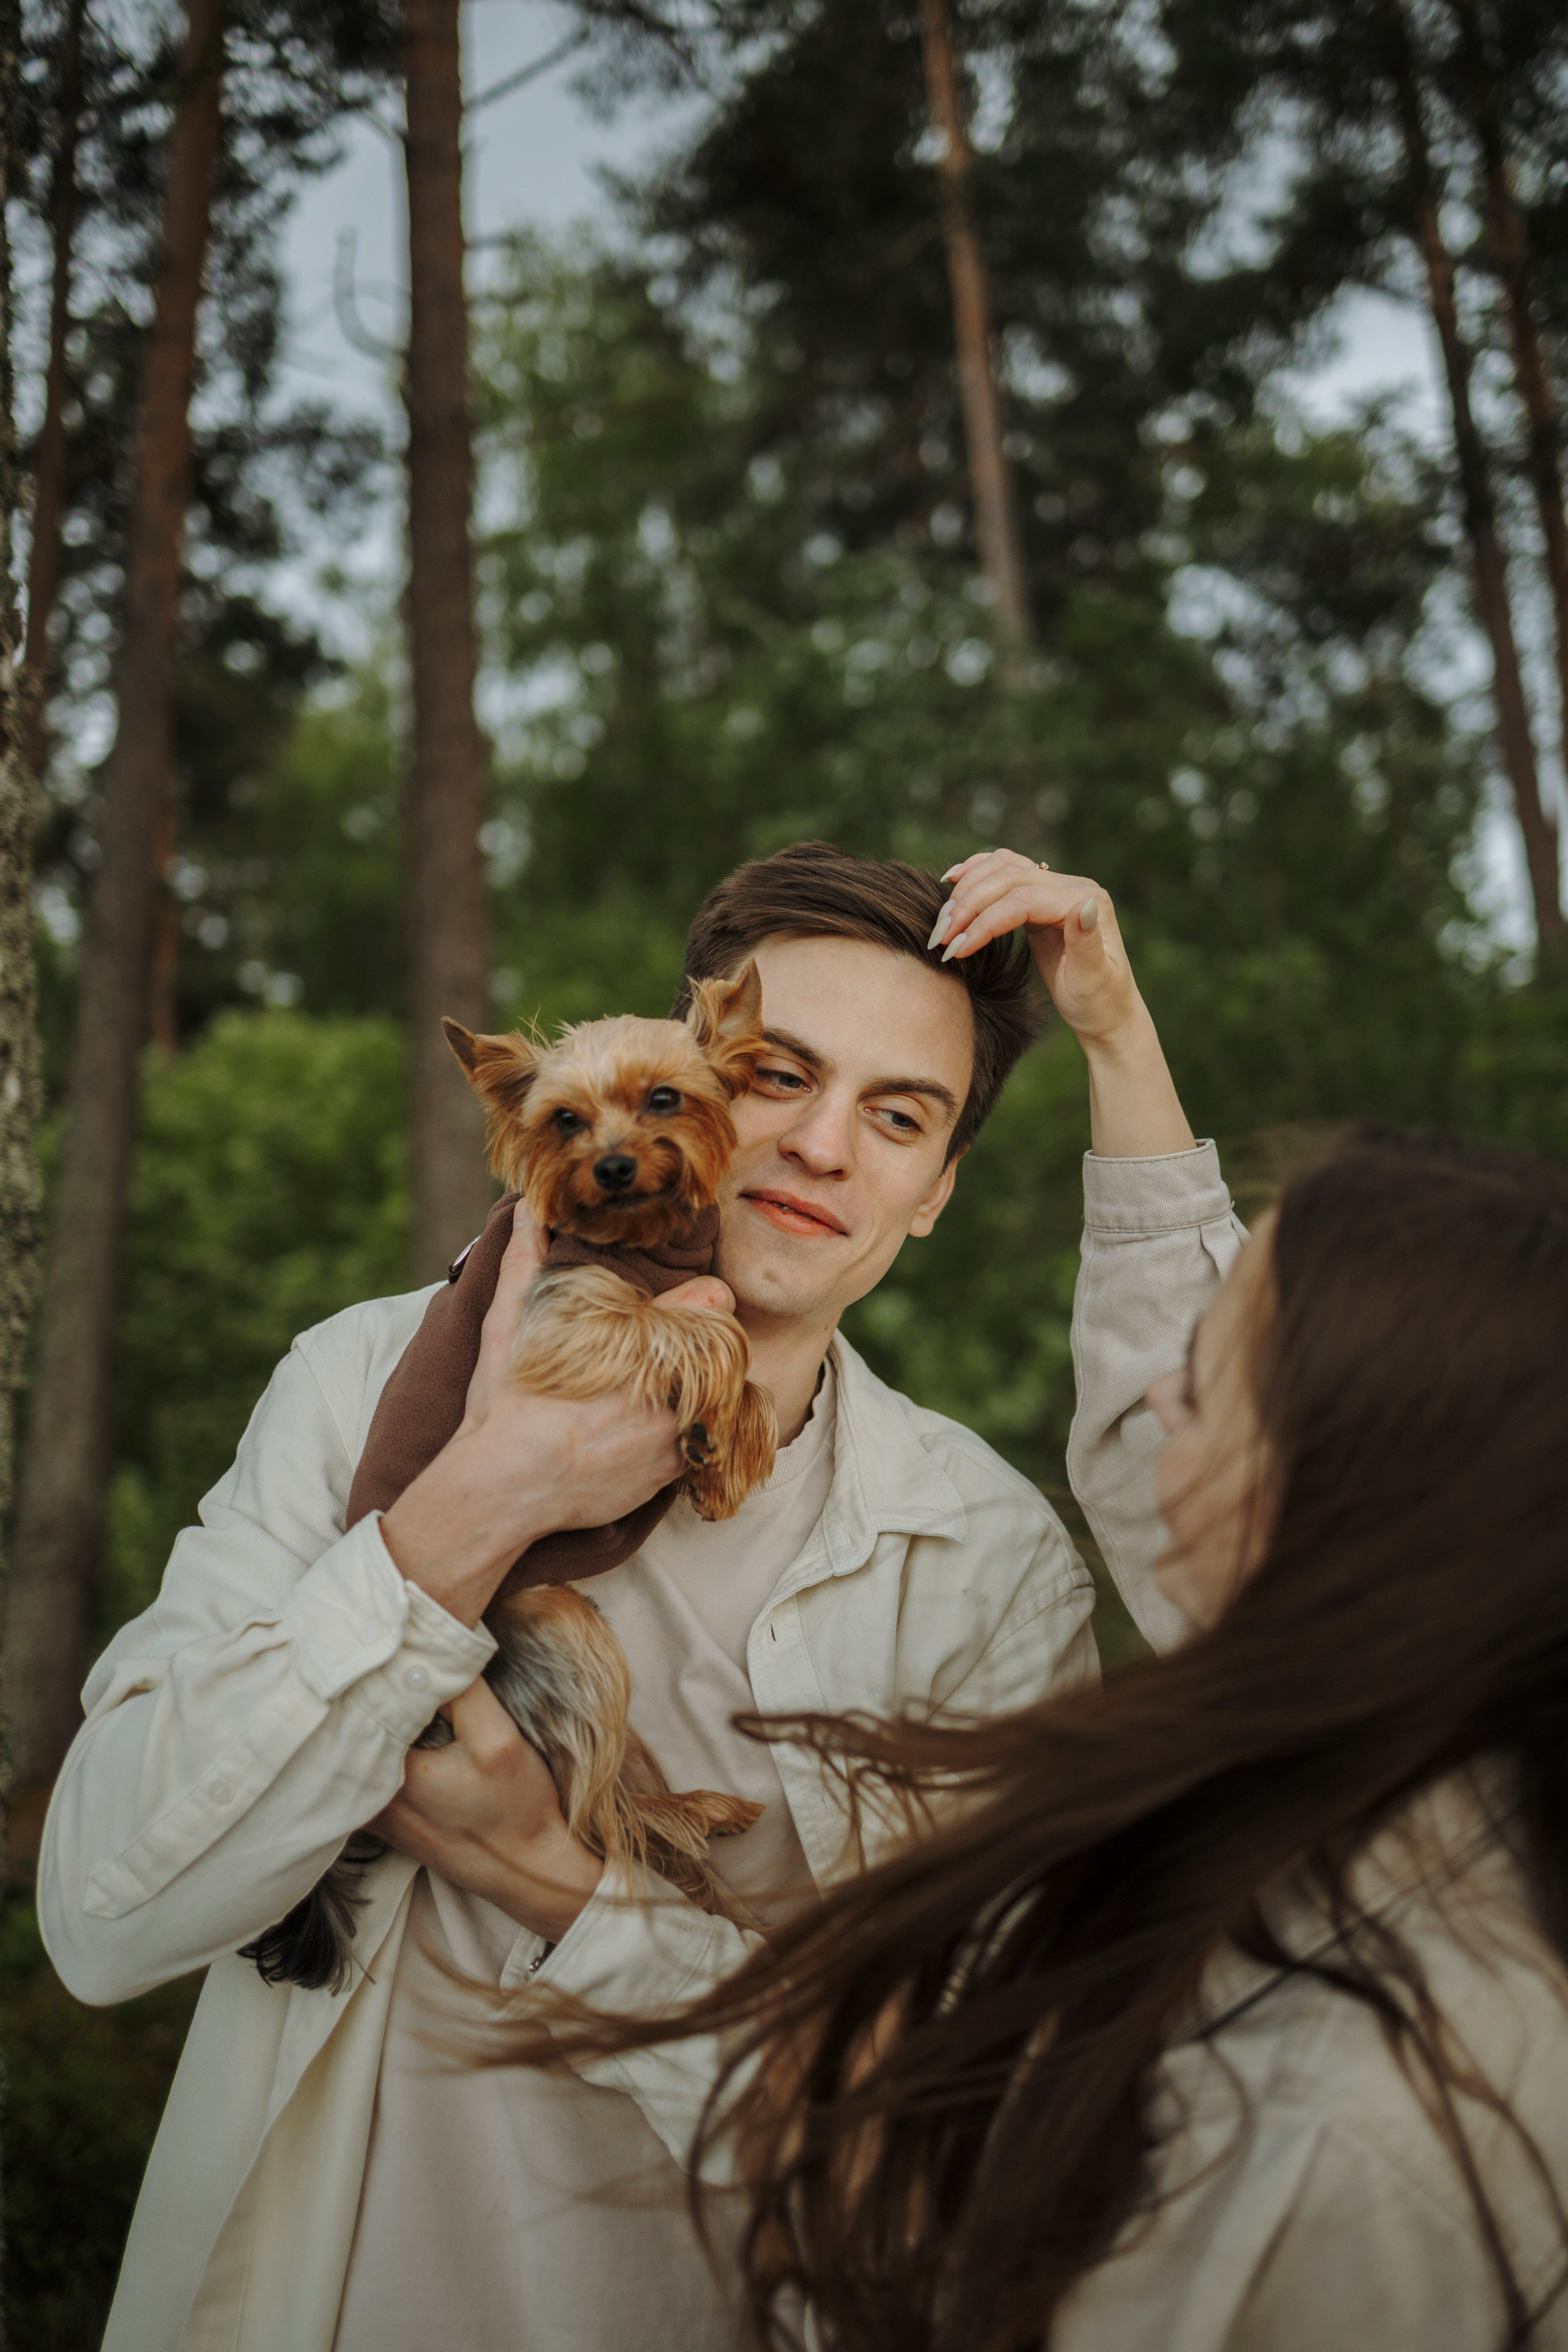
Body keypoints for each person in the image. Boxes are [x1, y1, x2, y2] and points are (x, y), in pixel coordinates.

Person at [38, 841, 1213, 2352]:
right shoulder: (360, 1383)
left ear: (933, 1194)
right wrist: (478, 1505)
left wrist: (565, 1888)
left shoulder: (980, 1560)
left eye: (898, 1116)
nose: (821, 1149)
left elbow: (964, 2133)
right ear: (684, 1068)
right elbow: (103, 1916)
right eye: (776, 1076)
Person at [560, 1079, 1568, 2344]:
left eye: (1203, 1374)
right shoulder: (1329, 1853)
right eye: (780, 1080)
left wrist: (558, 1892)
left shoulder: (1340, 2131)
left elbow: (955, 2250)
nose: (1153, 1403)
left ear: (1348, 1494)